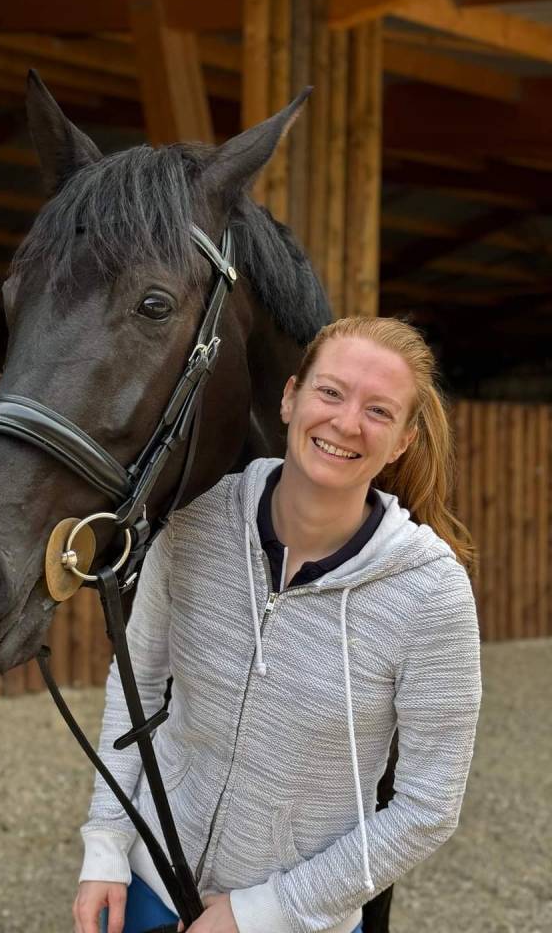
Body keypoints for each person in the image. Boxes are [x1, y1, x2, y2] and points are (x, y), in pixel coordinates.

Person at [74, 316, 482, 933]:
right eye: (331, 392)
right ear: (290, 398)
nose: (346, 423)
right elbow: (137, 687)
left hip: (296, 918)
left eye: (379, 410)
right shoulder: (191, 523)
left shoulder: (432, 592)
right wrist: (105, 847)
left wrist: (263, 911)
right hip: (148, 879)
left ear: (402, 441)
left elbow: (428, 807)